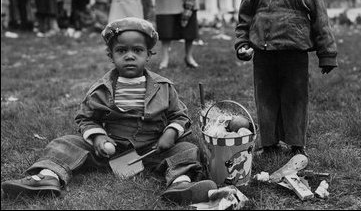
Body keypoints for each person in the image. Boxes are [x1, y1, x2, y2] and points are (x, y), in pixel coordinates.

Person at [1, 17, 217, 204]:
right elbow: (86, 118)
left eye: (137, 50)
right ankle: (48, 176)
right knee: (65, 143)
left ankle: (180, 183)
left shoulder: (164, 87)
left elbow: (179, 115)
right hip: (110, 149)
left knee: (186, 148)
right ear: (111, 56)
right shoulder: (102, 88)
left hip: (153, 150)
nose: (130, 56)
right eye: (122, 51)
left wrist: (171, 133)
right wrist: (98, 138)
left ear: (148, 55)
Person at [234, 0, 338, 157]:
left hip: (295, 55)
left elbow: (321, 22)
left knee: (295, 98)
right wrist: (242, 43)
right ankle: (269, 144)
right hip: (263, 55)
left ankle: (296, 144)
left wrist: (327, 54)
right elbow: (244, 21)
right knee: (265, 99)